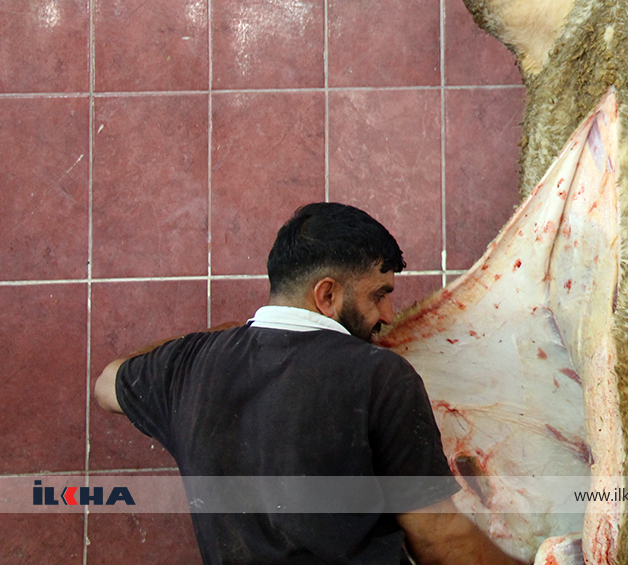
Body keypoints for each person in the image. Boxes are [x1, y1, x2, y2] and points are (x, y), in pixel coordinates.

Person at [94, 202, 523, 565]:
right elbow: (439, 541)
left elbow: (107, 382)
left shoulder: (186, 367)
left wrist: (212, 340)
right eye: (378, 294)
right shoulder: (379, 375)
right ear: (327, 296)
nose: (388, 314)